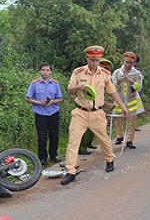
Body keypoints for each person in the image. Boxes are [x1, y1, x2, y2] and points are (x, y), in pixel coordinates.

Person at [61, 46, 129, 185]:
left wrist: (123, 107)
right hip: (80, 113)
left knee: (103, 139)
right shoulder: (78, 72)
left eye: (97, 60)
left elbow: (112, 92)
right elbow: (69, 89)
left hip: (97, 113)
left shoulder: (104, 73)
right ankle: (70, 171)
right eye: (92, 60)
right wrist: (78, 88)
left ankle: (109, 160)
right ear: (87, 58)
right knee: (73, 142)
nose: (95, 63)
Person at [25, 63, 64, 165]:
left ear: (50, 72)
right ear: (40, 71)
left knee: (54, 135)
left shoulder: (55, 84)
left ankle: (54, 155)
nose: (45, 72)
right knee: (42, 136)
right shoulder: (34, 83)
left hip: (53, 112)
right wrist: (39, 103)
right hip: (40, 113)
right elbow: (27, 98)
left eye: (47, 70)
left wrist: (52, 102)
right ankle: (42, 157)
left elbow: (60, 98)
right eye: (43, 70)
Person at [79, 57, 114, 154]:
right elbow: (91, 97)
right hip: (87, 107)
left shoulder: (105, 75)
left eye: (107, 67)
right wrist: (107, 104)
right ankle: (82, 148)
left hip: (98, 107)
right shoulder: (88, 77)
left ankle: (88, 143)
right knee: (87, 130)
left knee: (95, 129)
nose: (105, 69)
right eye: (103, 66)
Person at [112, 51, 144, 149]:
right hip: (120, 100)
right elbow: (112, 87)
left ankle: (130, 140)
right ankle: (119, 136)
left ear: (134, 63)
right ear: (123, 61)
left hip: (132, 101)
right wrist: (118, 81)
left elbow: (139, 87)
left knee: (131, 121)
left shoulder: (136, 74)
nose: (128, 65)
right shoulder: (117, 72)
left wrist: (131, 82)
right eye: (126, 62)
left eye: (130, 63)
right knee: (119, 119)